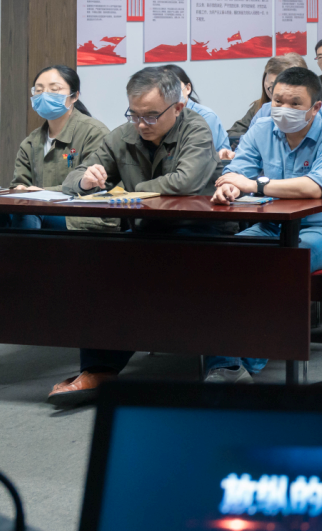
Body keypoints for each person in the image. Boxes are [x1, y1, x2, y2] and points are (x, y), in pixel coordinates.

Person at [50, 67, 217, 406]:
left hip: (196, 229)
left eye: (151, 116)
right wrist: (86, 180)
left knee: (212, 276)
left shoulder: (196, 130)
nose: (141, 124)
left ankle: (225, 365)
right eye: (135, 114)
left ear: (177, 108)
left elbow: (184, 182)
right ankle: (99, 368)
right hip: (144, 229)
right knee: (101, 271)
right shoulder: (123, 135)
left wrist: (126, 191)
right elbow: (73, 178)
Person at [203, 66, 322, 382]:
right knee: (222, 261)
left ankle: (241, 365)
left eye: (295, 103)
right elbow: (236, 172)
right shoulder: (261, 128)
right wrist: (229, 187)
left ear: (315, 107)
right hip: (272, 226)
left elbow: (314, 187)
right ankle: (226, 366)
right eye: (278, 101)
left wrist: (254, 185)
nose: (283, 109)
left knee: (279, 267)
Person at [5, 65, 108, 230]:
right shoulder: (30, 142)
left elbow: (96, 185)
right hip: (42, 211)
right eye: (39, 90)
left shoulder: (94, 133)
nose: (44, 95)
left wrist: (39, 192)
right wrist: (19, 189)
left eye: (54, 90)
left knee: (30, 212)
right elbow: (19, 186)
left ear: (74, 96)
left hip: (85, 214)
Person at [227, 54, 307, 148]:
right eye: (272, 86)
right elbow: (236, 136)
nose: (276, 92)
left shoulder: (315, 112)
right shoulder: (263, 109)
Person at [160, 64, 232, 158]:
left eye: (175, 86)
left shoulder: (206, 116)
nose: (170, 92)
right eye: (164, 88)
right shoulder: (160, 116)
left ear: (188, 88)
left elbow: (200, 156)